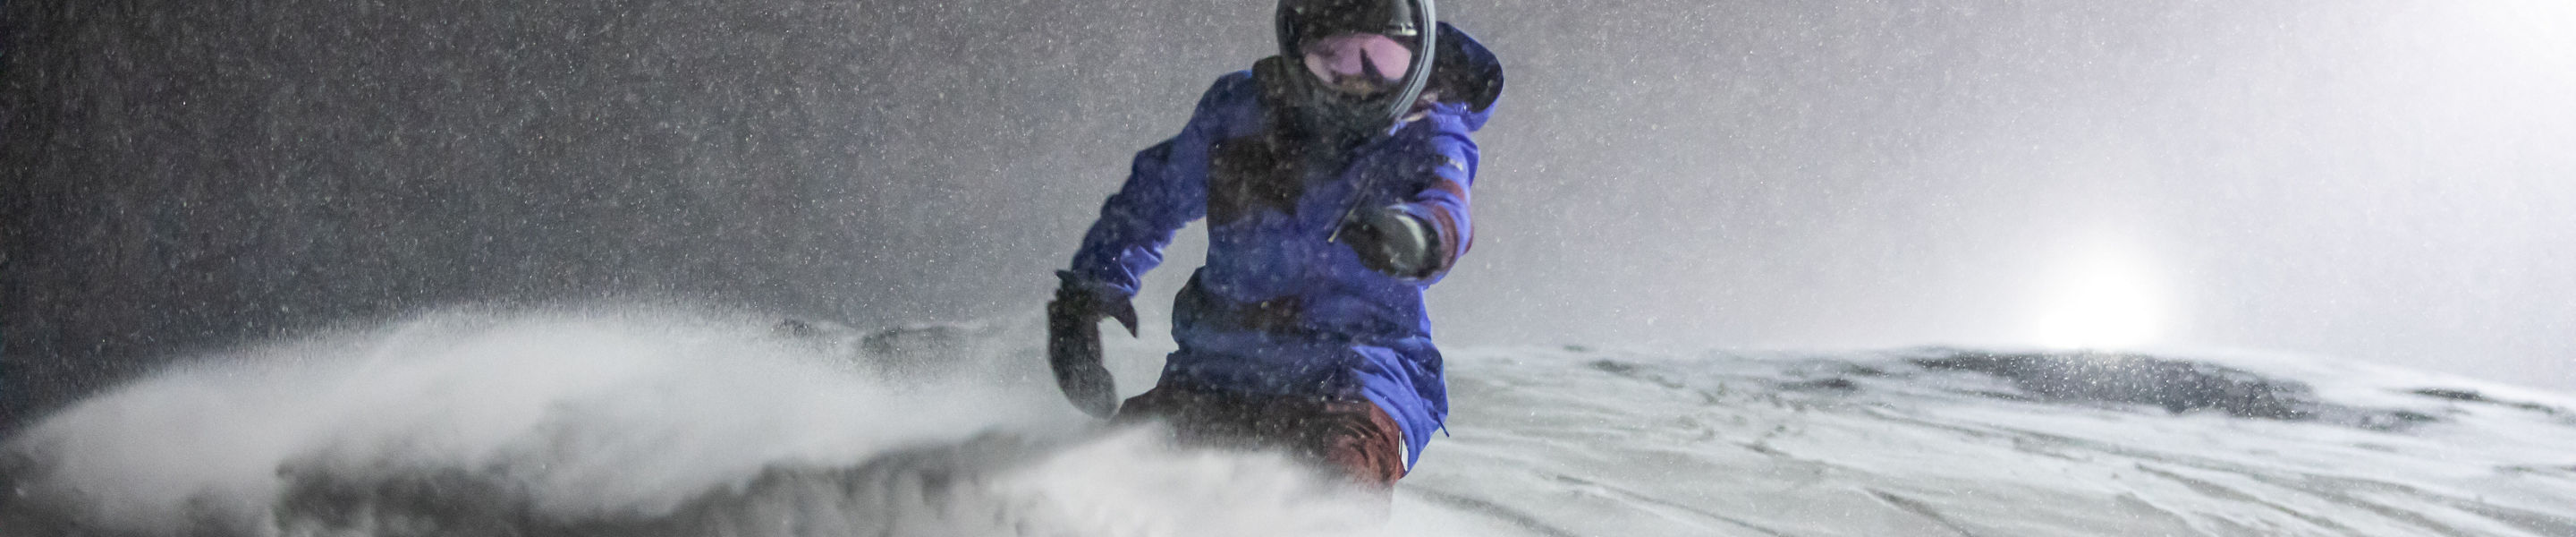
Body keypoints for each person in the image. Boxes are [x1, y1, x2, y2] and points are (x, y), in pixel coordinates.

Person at [1046, 0, 1503, 496]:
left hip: (1359, 376)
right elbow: (1152, 200)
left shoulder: (1427, 131)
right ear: (1296, 50)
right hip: (1217, 370)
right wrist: (1087, 293)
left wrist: (1417, 238)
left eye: (1384, 60)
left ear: (1418, 57)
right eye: (1337, 59)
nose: (1361, 81)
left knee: (1338, 477)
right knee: (1101, 474)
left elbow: (1447, 209)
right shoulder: (1238, 114)